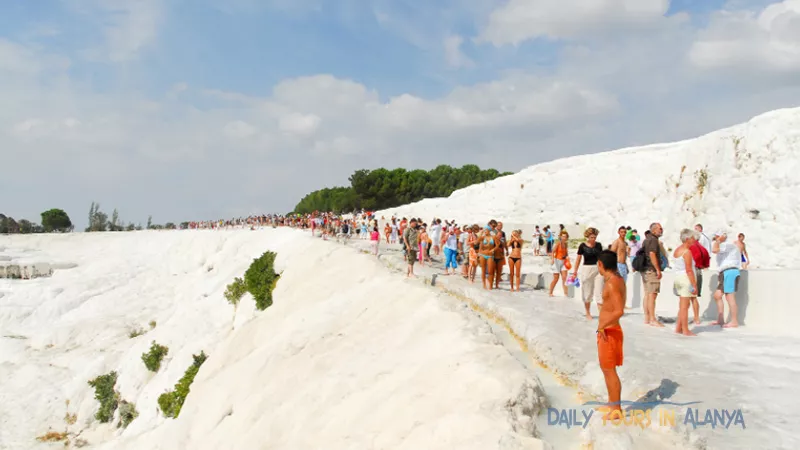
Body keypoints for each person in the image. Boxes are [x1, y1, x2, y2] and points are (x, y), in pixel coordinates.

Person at [596, 250, 625, 418]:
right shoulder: (616, 279)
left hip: (609, 330)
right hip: (610, 329)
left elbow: (619, 310)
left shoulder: (612, 283)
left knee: (609, 370)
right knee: (606, 369)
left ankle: (616, 409)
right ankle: (612, 404)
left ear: (601, 264)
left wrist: (602, 325)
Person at [711, 230, 743, 328]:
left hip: (730, 271)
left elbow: (714, 250)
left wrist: (719, 240)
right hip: (724, 273)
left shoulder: (727, 245)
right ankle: (720, 319)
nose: (716, 239)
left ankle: (734, 321)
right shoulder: (724, 246)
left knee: (730, 297)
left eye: (717, 236)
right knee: (717, 295)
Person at [573, 227, 603, 319]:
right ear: (588, 237)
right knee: (587, 293)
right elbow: (578, 259)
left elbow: (601, 259)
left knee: (600, 292)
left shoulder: (598, 245)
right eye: (592, 237)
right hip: (587, 269)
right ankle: (587, 312)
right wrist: (575, 271)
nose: (593, 239)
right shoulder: (582, 246)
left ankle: (602, 315)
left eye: (595, 237)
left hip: (598, 269)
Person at [673, 229, 699, 336]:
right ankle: (685, 329)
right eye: (693, 238)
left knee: (683, 305)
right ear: (687, 239)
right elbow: (689, 270)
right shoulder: (687, 252)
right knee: (684, 306)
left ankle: (679, 327)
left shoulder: (677, 250)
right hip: (685, 279)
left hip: (678, 278)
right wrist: (694, 284)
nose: (695, 240)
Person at [641, 223, 664, 327]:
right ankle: (652, 319)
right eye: (660, 229)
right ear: (654, 230)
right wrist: (658, 269)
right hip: (651, 270)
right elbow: (652, 254)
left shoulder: (647, 239)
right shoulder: (653, 240)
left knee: (647, 294)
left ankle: (647, 317)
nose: (661, 230)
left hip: (645, 269)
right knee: (652, 294)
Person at [549, 231, 570, 297]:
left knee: (564, 278)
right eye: (563, 236)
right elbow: (553, 251)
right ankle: (550, 292)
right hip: (557, 261)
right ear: (560, 237)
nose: (564, 238)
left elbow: (566, 253)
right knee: (556, 278)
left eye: (565, 236)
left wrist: (567, 257)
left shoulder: (566, 244)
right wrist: (552, 259)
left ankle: (566, 293)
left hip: (563, 261)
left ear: (567, 238)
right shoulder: (558, 243)